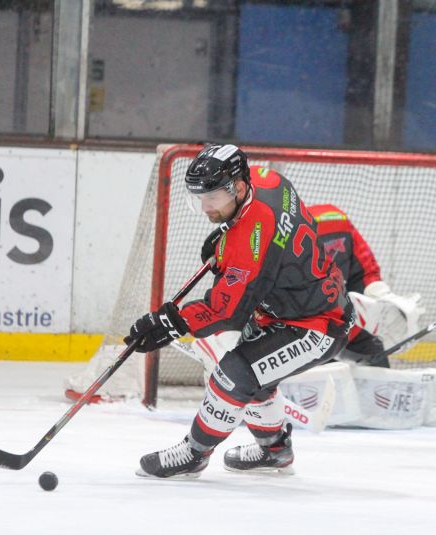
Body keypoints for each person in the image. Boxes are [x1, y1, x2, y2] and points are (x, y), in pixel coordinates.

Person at [124, 144, 354, 479]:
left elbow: (225, 311)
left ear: (239, 187)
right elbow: (261, 234)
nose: (205, 207)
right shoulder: (269, 179)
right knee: (257, 378)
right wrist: (224, 238)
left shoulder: (250, 241)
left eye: (213, 197)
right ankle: (274, 450)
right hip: (294, 307)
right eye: (200, 197)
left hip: (316, 325)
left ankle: (194, 453)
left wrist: (170, 323)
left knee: (234, 374)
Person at [310, 203, 423, 367]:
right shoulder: (335, 217)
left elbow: (365, 273)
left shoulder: (281, 239)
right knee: (376, 369)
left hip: (321, 328)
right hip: (313, 332)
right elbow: (366, 271)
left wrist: (379, 296)